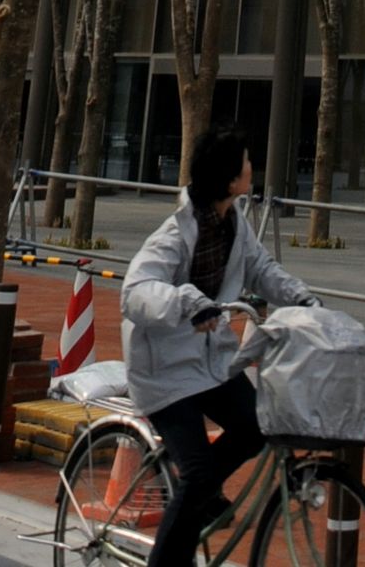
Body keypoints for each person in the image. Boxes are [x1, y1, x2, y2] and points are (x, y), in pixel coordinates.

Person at [120, 126, 313, 567]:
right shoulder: (173, 234)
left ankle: (197, 495)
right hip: (164, 373)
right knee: (200, 473)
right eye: (246, 161)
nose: (252, 166)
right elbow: (135, 291)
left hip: (210, 363)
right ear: (230, 180)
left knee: (256, 425)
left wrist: (304, 299)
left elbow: (261, 268)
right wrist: (188, 304)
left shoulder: (234, 223)